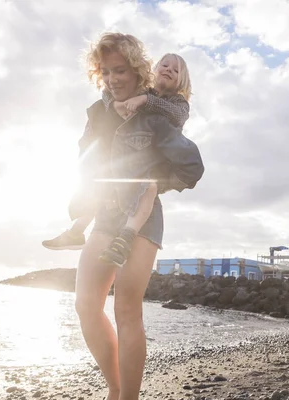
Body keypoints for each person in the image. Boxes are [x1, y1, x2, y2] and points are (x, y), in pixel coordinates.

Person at [74, 32, 204, 400]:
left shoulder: (154, 117)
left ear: (136, 71)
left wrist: (153, 185)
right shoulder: (97, 112)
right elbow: (86, 161)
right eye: (106, 72)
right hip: (104, 213)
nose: (113, 79)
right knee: (86, 306)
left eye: (120, 70)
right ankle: (115, 388)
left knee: (126, 309)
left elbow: (192, 167)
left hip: (143, 218)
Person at [42, 53, 192, 264]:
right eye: (165, 65)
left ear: (181, 81)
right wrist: (119, 104)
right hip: (128, 156)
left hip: (154, 161)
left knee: (149, 186)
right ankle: (76, 231)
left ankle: (127, 236)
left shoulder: (178, 102)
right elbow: (108, 95)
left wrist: (145, 101)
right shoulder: (140, 90)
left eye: (176, 70)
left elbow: (177, 115)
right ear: (154, 68)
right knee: (103, 182)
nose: (169, 70)